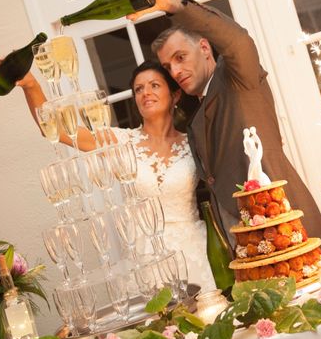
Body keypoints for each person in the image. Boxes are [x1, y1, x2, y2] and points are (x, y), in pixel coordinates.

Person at [111, 0, 321, 255]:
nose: (175, 71)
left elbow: (237, 40)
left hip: (285, 230)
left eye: (180, 58)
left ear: (205, 48)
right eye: (168, 67)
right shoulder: (194, 120)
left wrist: (168, 3)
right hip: (244, 250)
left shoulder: (237, 78)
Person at [14, 60, 216, 292]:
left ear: (175, 95)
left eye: (154, 85)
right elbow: (53, 129)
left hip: (195, 252)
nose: (146, 93)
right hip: (146, 257)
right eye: (139, 89)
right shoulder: (119, 141)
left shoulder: (194, 143)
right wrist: (31, 85)